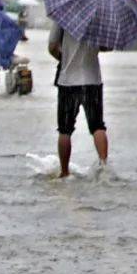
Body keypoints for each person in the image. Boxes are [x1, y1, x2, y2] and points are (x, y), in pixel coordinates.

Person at [49, 20, 108, 177]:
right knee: (97, 126)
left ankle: (64, 171)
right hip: (92, 80)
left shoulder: (62, 16)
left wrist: (64, 57)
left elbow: (52, 47)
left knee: (65, 130)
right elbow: (107, 46)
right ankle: (104, 167)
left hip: (68, 81)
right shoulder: (98, 16)